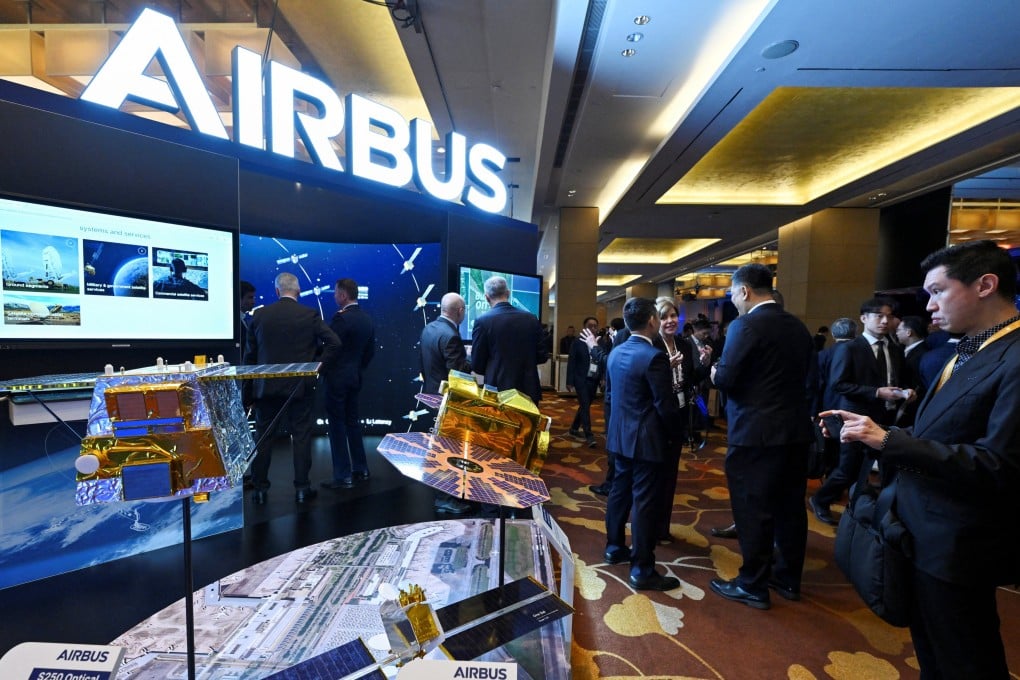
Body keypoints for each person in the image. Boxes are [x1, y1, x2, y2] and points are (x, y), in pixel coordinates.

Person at [822, 240, 1020, 678]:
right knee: (936, 655)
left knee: (967, 661)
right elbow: (940, 433)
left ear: (986, 285)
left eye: (938, 291)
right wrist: (872, 434)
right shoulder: (967, 349)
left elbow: (999, 465)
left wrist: (888, 441)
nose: (927, 306)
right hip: (923, 530)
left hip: (960, 540)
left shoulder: (1014, 356)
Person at [708, 263, 815, 610]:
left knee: (753, 508)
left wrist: (714, 372)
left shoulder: (746, 324)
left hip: (755, 433)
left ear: (744, 291)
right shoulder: (797, 326)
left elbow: (727, 378)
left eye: (732, 294)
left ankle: (752, 584)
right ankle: (787, 578)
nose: (733, 300)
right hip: (796, 431)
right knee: (790, 509)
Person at [603, 297, 685, 591]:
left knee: (619, 493)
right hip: (647, 441)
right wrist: (679, 434)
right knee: (645, 503)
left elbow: (613, 397)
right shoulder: (654, 357)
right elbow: (665, 405)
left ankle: (613, 547)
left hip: (620, 437)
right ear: (652, 320)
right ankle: (642, 568)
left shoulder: (615, 353)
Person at [809, 297, 912, 525]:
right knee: (848, 467)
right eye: (879, 316)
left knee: (869, 469)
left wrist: (905, 391)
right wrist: (877, 392)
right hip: (854, 415)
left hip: (883, 417)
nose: (885, 321)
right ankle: (821, 499)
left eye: (889, 316)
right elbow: (839, 384)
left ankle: (856, 509)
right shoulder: (850, 348)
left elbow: (895, 379)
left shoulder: (894, 349)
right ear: (864, 319)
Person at [244, 272, 340, 504]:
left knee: (263, 438)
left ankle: (259, 489)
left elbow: (250, 358)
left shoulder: (260, 316)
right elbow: (334, 343)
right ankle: (302, 488)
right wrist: (316, 368)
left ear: (277, 291)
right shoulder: (309, 315)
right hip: (300, 388)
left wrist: (247, 393)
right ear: (298, 291)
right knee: (301, 437)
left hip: (265, 388)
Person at [419, 292, 474, 515]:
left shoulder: (429, 328)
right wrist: (468, 360)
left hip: (432, 395)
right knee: (449, 451)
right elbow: (457, 374)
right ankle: (445, 498)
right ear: (459, 311)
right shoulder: (451, 336)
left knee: (439, 449)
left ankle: (442, 495)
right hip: (447, 401)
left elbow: (424, 364)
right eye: (464, 310)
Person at [322, 278, 376, 490]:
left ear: (343, 295)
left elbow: (330, 348)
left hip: (337, 379)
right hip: (355, 377)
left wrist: (324, 368)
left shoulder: (341, 319)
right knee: (353, 422)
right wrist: (356, 369)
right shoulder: (366, 319)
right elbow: (370, 352)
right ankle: (361, 468)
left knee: (337, 425)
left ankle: (342, 475)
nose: (334, 296)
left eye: (336, 292)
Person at [471, 276, 547, 403]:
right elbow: (543, 356)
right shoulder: (532, 319)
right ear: (508, 293)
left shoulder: (482, 322)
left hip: (497, 392)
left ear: (486, 297)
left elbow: (477, 365)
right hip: (528, 391)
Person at [567, 316, 601, 447]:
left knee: (585, 405)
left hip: (593, 379)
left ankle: (574, 428)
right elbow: (572, 362)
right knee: (585, 406)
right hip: (580, 379)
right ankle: (589, 435)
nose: (593, 328)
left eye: (595, 326)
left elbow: (602, 360)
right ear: (585, 328)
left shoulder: (600, 342)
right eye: (590, 326)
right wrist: (569, 381)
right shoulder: (577, 342)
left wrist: (603, 378)